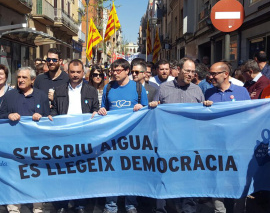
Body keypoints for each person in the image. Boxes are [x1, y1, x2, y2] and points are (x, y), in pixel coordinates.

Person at [149, 58, 204, 213]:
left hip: (190, 143)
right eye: (187, 71)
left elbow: (202, 116)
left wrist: (207, 106)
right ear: (179, 70)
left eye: (193, 72)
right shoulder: (164, 89)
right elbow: (154, 112)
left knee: (190, 176)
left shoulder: (197, 90)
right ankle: (163, 209)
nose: (191, 74)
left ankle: (189, 208)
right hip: (168, 141)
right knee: (165, 176)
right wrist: (153, 106)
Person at [98, 59, 148, 213]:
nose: (114, 73)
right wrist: (101, 111)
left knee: (131, 171)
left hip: (132, 139)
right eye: (113, 70)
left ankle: (130, 204)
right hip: (112, 139)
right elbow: (103, 109)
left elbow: (147, 111)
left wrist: (142, 107)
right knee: (111, 171)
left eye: (118, 70)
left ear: (127, 71)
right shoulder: (108, 88)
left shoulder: (139, 88)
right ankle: (110, 204)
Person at [50, 59, 99, 213]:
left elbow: (95, 110)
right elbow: (55, 111)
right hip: (64, 137)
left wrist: (96, 114)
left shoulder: (91, 91)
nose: (75, 75)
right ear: (68, 72)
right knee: (64, 170)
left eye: (78, 72)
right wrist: (51, 116)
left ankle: (80, 203)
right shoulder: (59, 90)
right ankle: (62, 203)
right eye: (72, 72)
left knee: (81, 171)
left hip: (84, 137)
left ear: (83, 73)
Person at [0, 66, 50, 213]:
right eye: (19, 77)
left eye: (24, 77)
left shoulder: (41, 96)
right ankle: (14, 208)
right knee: (14, 177)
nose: (20, 80)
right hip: (14, 147)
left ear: (33, 80)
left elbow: (48, 117)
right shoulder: (10, 96)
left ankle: (38, 207)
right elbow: (1, 116)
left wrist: (41, 116)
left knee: (35, 177)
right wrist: (8, 116)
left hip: (35, 147)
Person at [203, 62, 251, 213]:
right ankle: (219, 210)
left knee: (238, 179)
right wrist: (205, 108)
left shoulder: (242, 92)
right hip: (215, 145)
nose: (210, 77)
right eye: (210, 73)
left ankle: (239, 209)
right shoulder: (207, 93)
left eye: (214, 74)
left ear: (225, 74)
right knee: (217, 178)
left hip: (237, 145)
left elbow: (250, 116)